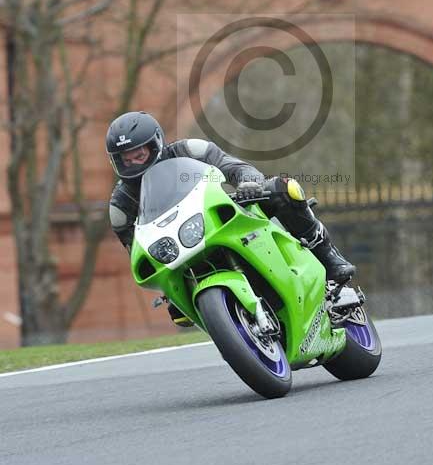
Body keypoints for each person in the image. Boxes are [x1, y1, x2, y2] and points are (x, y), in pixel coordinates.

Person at [106, 111, 354, 325]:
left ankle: (329, 257)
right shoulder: (121, 206)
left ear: (155, 145)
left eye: (139, 155)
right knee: (179, 312)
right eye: (126, 159)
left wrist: (248, 183)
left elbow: (235, 166)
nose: (134, 163)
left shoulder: (189, 150)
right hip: (181, 246)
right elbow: (138, 250)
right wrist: (167, 289)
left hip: (221, 214)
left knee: (282, 189)